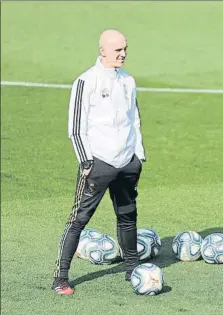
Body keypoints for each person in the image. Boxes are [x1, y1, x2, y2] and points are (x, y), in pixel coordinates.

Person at [51, 29, 146, 295]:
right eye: (117, 50)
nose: (123, 53)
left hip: (127, 162)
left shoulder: (128, 81)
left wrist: (139, 156)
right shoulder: (86, 81)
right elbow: (75, 127)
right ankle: (60, 277)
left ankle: (132, 268)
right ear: (102, 50)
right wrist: (86, 162)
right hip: (99, 163)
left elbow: (134, 119)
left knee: (127, 217)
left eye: (125, 48)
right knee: (79, 219)